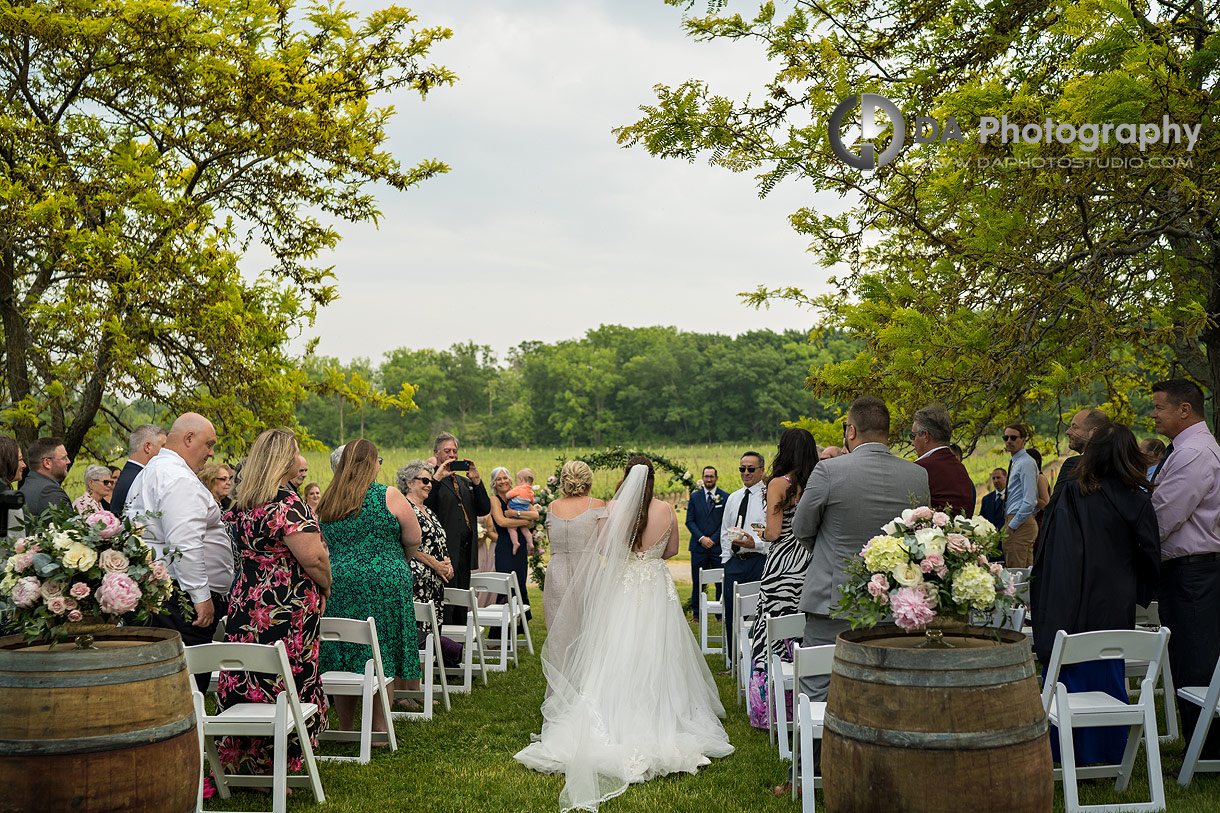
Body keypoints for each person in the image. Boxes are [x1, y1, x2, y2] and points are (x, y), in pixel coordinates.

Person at [515, 458, 733, 811]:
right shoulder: (665, 508)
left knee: (616, 649)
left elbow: (604, 549)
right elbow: (674, 549)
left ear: (626, 478)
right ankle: (665, 714)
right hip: (655, 584)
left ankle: (611, 716)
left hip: (625, 584)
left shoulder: (615, 507)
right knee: (660, 650)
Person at [1031, 423, 1159, 766]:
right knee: (1108, 669)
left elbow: (1050, 548)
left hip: (1069, 595)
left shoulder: (1073, 491)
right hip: (1115, 601)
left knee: (1069, 669)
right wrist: (1138, 590)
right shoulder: (1138, 499)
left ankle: (1065, 752)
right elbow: (1151, 554)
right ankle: (1108, 752)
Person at [794, 396, 930, 704]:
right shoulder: (916, 475)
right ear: (887, 432)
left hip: (833, 599)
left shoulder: (828, 471)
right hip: (893, 599)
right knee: (885, 688)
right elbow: (920, 536)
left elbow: (802, 528)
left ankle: (816, 751)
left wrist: (827, 552)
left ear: (851, 431)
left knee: (818, 684)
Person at [218, 428, 332, 778]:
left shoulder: (245, 502)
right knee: (286, 679)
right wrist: (326, 587)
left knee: (249, 675)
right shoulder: (286, 503)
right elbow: (314, 559)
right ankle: (285, 765)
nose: (303, 460)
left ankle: (248, 764)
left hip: (245, 602)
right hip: (285, 607)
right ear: (283, 459)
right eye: (298, 452)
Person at [317, 439, 422, 726]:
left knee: (345, 651)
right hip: (385, 583)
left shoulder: (329, 498)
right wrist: (395, 559)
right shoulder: (388, 495)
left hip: (341, 582)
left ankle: (347, 725)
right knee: (382, 651)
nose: (380, 465)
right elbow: (413, 539)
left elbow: (324, 540)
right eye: (378, 460)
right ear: (369, 464)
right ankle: (378, 728)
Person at [126, 413, 233, 676]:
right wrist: (201, 598)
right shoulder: (178, 478)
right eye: (209, 444)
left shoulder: (153, 471)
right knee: (186, 685)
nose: (211, 453)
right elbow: (184, 545)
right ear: (188, 438)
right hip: (180, 602)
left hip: (161, 594)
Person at [1150, 378, 1220, 765]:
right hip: (1188, 570)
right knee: (1191, 656)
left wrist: (1136, 546)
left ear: (1184, 410)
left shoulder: (1194, 453)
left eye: (1159, 407)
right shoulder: (1189, 448)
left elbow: (1166, 515)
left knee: (1196, 658)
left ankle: (1205, 747)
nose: (1153, 414)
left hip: (1193, 571)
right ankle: (1201, 742)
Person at [746, 428, 818, 731]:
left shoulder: (778, 483)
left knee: (773, 632)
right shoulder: (816, 480)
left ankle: (771, 710)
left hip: (780, 566)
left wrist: (760, 532)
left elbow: (774, 533)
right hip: (807, 561)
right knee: (799, 631)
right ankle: (804, 702)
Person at [398, 460, 461, 693]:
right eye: (424, 480)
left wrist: (447, 565)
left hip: (433, 583)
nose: (429, 485)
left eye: (430, 481)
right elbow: (406, 544)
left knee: (430, 635)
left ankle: (417, 690)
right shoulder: (404, 508)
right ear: (408, 482)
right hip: (416, 581)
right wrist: (435, 564)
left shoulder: (428, 510)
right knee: (415, 637)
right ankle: (406, 692)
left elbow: (438, 541)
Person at [424, 432, 490, 623]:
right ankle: (443, 647)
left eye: (455, 451)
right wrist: (436, 479)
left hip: (465, 550)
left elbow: (484, 508)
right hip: (443, 552)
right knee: (445, 604)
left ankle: (460, 650)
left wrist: (477, 481)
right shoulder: (428, 481)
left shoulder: (464, 481)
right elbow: (425, 505)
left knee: (462, 602)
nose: (452, 455)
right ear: (436, 453)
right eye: (447, 451)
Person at [543, 460, 606, 630]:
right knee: (589, 626)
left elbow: (552, 540)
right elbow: (605, 545)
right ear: (588, 481)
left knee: (560, 626)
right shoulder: (597, 505)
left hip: (557, 574)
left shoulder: (552, 507)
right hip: (588, 572)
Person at [720, 450, 768, 655]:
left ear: (762, 471)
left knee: (759, 613)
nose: (746, 473)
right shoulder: (733, 498)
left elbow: (774, 534)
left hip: (760, 561)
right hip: (735, 562)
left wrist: (755, 544)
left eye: (750, 468)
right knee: (732, 612)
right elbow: (724, 530)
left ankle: (756, 658)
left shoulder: (768, 497)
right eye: (742, 468)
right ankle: (733, 660)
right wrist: (726, 560)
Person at [490, 465, 539, 620]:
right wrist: (524, 521)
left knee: (520, 584)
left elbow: (535, 515)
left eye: (505, 478)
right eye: (499, 479)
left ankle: (519, 627)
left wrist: (515, 514)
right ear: (494, 483)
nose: (503, 481)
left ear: (511, 480)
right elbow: (502, 522)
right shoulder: (494, 500)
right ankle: (499, 632)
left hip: (520, 548)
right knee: (506, 587)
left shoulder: (520, 496)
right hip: (505, 547)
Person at [910, 404, 974, 517]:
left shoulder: (920, 469)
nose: (912, 443)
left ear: (925, 436)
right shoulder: (959, 467)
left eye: (913, 436)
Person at [1046, 408, 1111, 519]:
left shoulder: (1074, 464)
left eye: (1075, 427)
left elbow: (1054, 508)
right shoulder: (1117, 463)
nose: (1068, 432)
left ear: (1094, 432)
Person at [685, 465, 728, 622]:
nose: (709, 479)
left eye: (711, 476)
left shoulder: (725, 497)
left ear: (716, 478)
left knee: (720, 581)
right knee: (697, 581)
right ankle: (697, 614)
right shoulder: (694, 497)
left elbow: (726, 522)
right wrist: (702, 538)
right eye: (706, 476)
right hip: (698, 547)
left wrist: (714, 539)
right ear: (702, 478)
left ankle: (719, 614)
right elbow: (689, 521)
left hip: (717, 547)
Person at [1003, 423, 1039, 568]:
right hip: (1018, 520)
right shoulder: (1018, 462)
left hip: (1020, 522)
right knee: (1023, 575)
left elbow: (1029, 500)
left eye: (1013, 437)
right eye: (1005, 437)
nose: (1009, 441)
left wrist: (1013, 525)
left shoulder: (1025, 463)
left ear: (1023, 440)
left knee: (1016, 575)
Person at [111, 423, 166, 517]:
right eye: (163, 446)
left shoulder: (131, 474)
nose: (166, 451)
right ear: (147, 447)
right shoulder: (137, 478)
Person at [19, 437, 71, 520]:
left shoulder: (28, 484)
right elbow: (68, 530)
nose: (68, 461)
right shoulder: (50, 493)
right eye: (64, 458)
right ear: (47, 463)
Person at [504, 468, 538, 555]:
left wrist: (509, 495)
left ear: (521, 479)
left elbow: (508, 495)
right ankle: (530, 543)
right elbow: (530, 501)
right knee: (525, 530)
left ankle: (515, 543)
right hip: (525, 512)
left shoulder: (518, 489)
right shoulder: (531, 492)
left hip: (514, 511)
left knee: (512, 529)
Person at [0, 437, 25, 536]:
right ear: (7, 462)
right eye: (20, 460)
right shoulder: (8, 501)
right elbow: (15, 546)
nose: (24, 465)